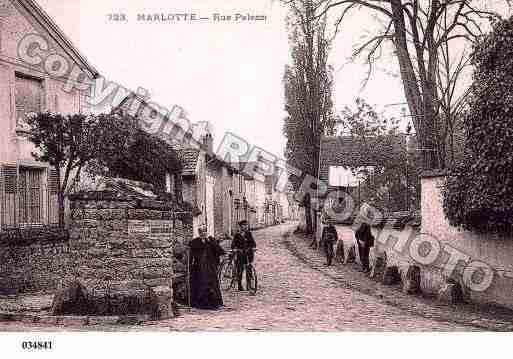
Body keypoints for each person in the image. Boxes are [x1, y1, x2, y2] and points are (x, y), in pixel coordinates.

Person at [189, 225, 225, 309]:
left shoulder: (210, 240)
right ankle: (204, 303)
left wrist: (222, 252)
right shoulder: (195, 242)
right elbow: (191, 251)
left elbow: (218, 250)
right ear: (199, 233)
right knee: (203, 284)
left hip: (210, 266)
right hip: (200, 267)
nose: (203, 233)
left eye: (205, 231)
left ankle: (215, 302)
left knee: (213, 283)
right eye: (201, 232)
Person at [231, 220, 257, 291]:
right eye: (244, 225)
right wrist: (235, 249)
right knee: (240, 269)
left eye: (246, 225)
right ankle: (239, 285)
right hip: (241, 254)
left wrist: (254, 247)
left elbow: (253, 243)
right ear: (240, 226)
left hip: (248, 254)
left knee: (249, 270)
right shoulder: (237, 235)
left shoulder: (249, 234)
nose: (245, 227)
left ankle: (249, 285)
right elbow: (233, 244)